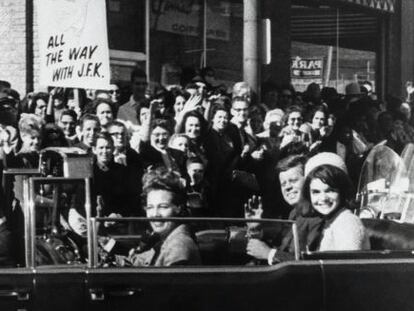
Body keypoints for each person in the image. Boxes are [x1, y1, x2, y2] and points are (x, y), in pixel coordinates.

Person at [115, 168, 201, 266]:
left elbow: (165, 281)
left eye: (163, 207)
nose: (155, 214)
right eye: (150, 207)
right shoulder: (164, 238)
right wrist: (107, 246)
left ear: (178, 208)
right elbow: (140, 261)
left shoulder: (179, 246)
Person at [302, 161, 370, 251]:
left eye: (330, 191)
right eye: (316, 192)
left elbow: (346, 263)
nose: (323, 198)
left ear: (342, 192)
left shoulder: (347, 222)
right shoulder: (329, 220)